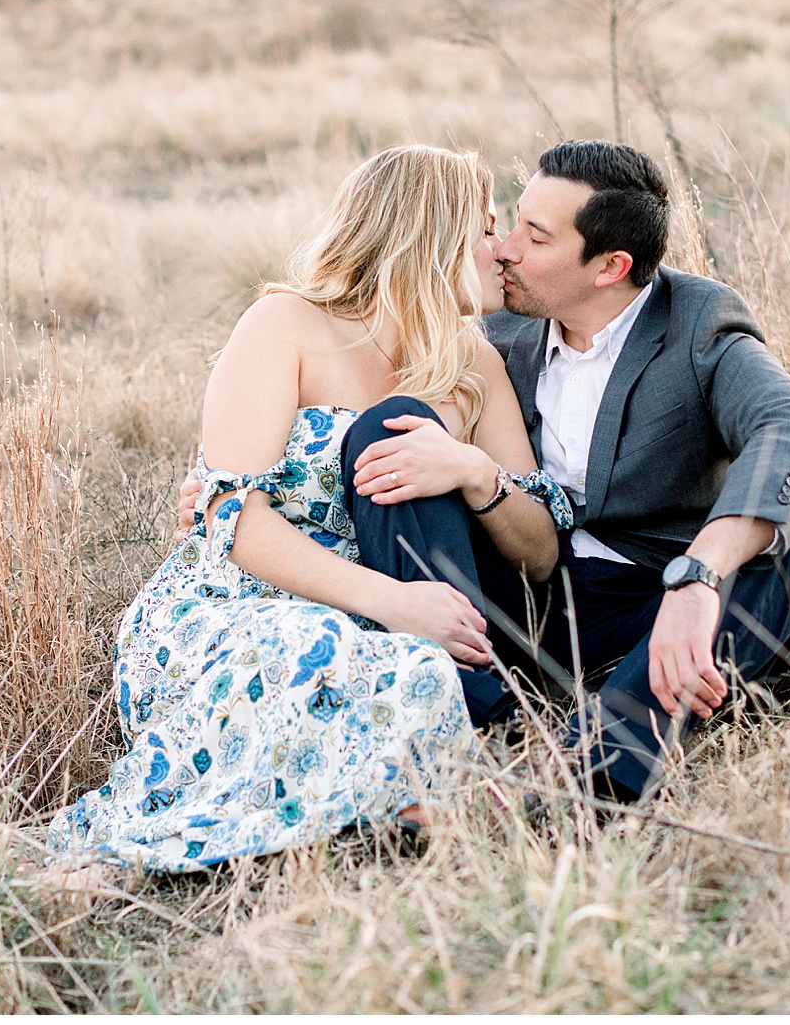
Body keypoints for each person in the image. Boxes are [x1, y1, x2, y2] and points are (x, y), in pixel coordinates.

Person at [174, 139, 790, 807]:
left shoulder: (695, 323)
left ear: (610, 266)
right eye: (505, 223)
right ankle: (472, 712)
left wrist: (696, 578)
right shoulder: (499, 325)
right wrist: (225, 491)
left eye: (533, 235)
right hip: (500, 593)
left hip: (642, 591)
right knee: (400, 426)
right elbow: (283, 453)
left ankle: (602, 760)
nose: (507, 248)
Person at [47, 145, 572, 874]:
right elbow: (233, 519)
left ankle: (387, 804)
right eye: (487, 229)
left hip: (380, 611)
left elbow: (541, 550)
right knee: (312, 647)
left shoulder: (473, 364)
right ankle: (220, 827)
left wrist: (474, 469)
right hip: (235, 599)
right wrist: (394, 602)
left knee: (414, 669)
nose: (504, 249)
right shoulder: (284, 325)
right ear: (434, 234)